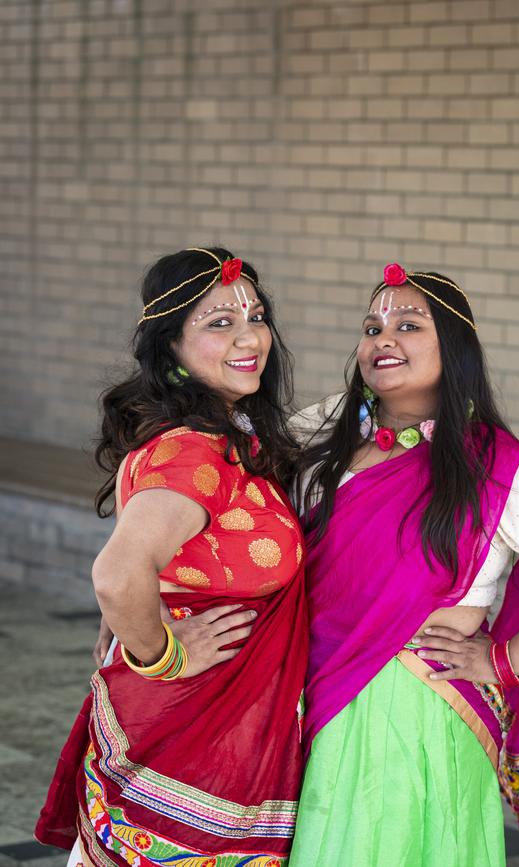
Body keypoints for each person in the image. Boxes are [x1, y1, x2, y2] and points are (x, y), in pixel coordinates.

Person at [287, 263, 519, 866]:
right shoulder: (323, 427)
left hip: (412, 709)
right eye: (372, 326)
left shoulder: (499, 468)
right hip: (307, 686)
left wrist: (504, 660)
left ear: (453, 349)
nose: (383, 339)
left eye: (408, 325)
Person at [35, 247, 308, 867]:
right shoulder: (192, 455)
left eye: (256, 316)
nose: (250, 338)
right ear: (169, 347)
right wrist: (164, 657)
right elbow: (116, 574)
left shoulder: (234, 436)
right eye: (219, 322)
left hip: (222, 729)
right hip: (190, 728)